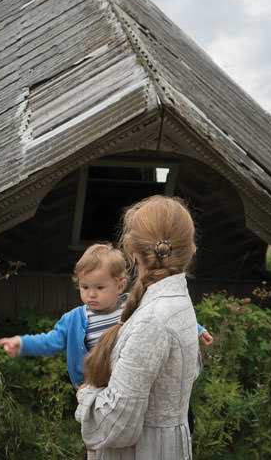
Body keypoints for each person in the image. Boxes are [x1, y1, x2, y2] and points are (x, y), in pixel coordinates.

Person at [76, 195, 202, 459]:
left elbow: (117, 426)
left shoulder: (153, 318)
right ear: (189, 249)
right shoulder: (177, 301)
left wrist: (85, 396)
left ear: (132, 250)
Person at [0, 242, 213, 391]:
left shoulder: (134, 305)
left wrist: (196, 329)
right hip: (94, 390)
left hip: (131, 384)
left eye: (99, 287)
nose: (91, 294)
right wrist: (22, 343)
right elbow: (50, 342)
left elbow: (165, 316)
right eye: (84, 286)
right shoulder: (74, 320)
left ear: (119, 285)